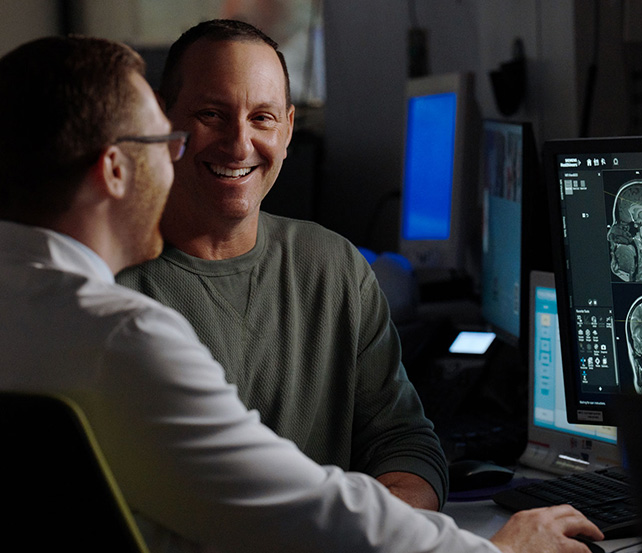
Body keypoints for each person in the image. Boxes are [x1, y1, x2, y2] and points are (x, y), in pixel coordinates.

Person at [0, 35, 604, 553]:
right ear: (113, 169)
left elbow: (390, 445)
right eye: (167, 140)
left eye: (262, 116)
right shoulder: (119, 334)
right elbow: (304, 513)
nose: (219, 146)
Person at [116, 19, 446, 510]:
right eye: (212, 114)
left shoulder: (335, 267)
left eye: (263, 118)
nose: (239, 144)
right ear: (163, 121)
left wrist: (383, 527)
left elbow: (404, 442)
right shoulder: (110, 285)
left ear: (289, 129)